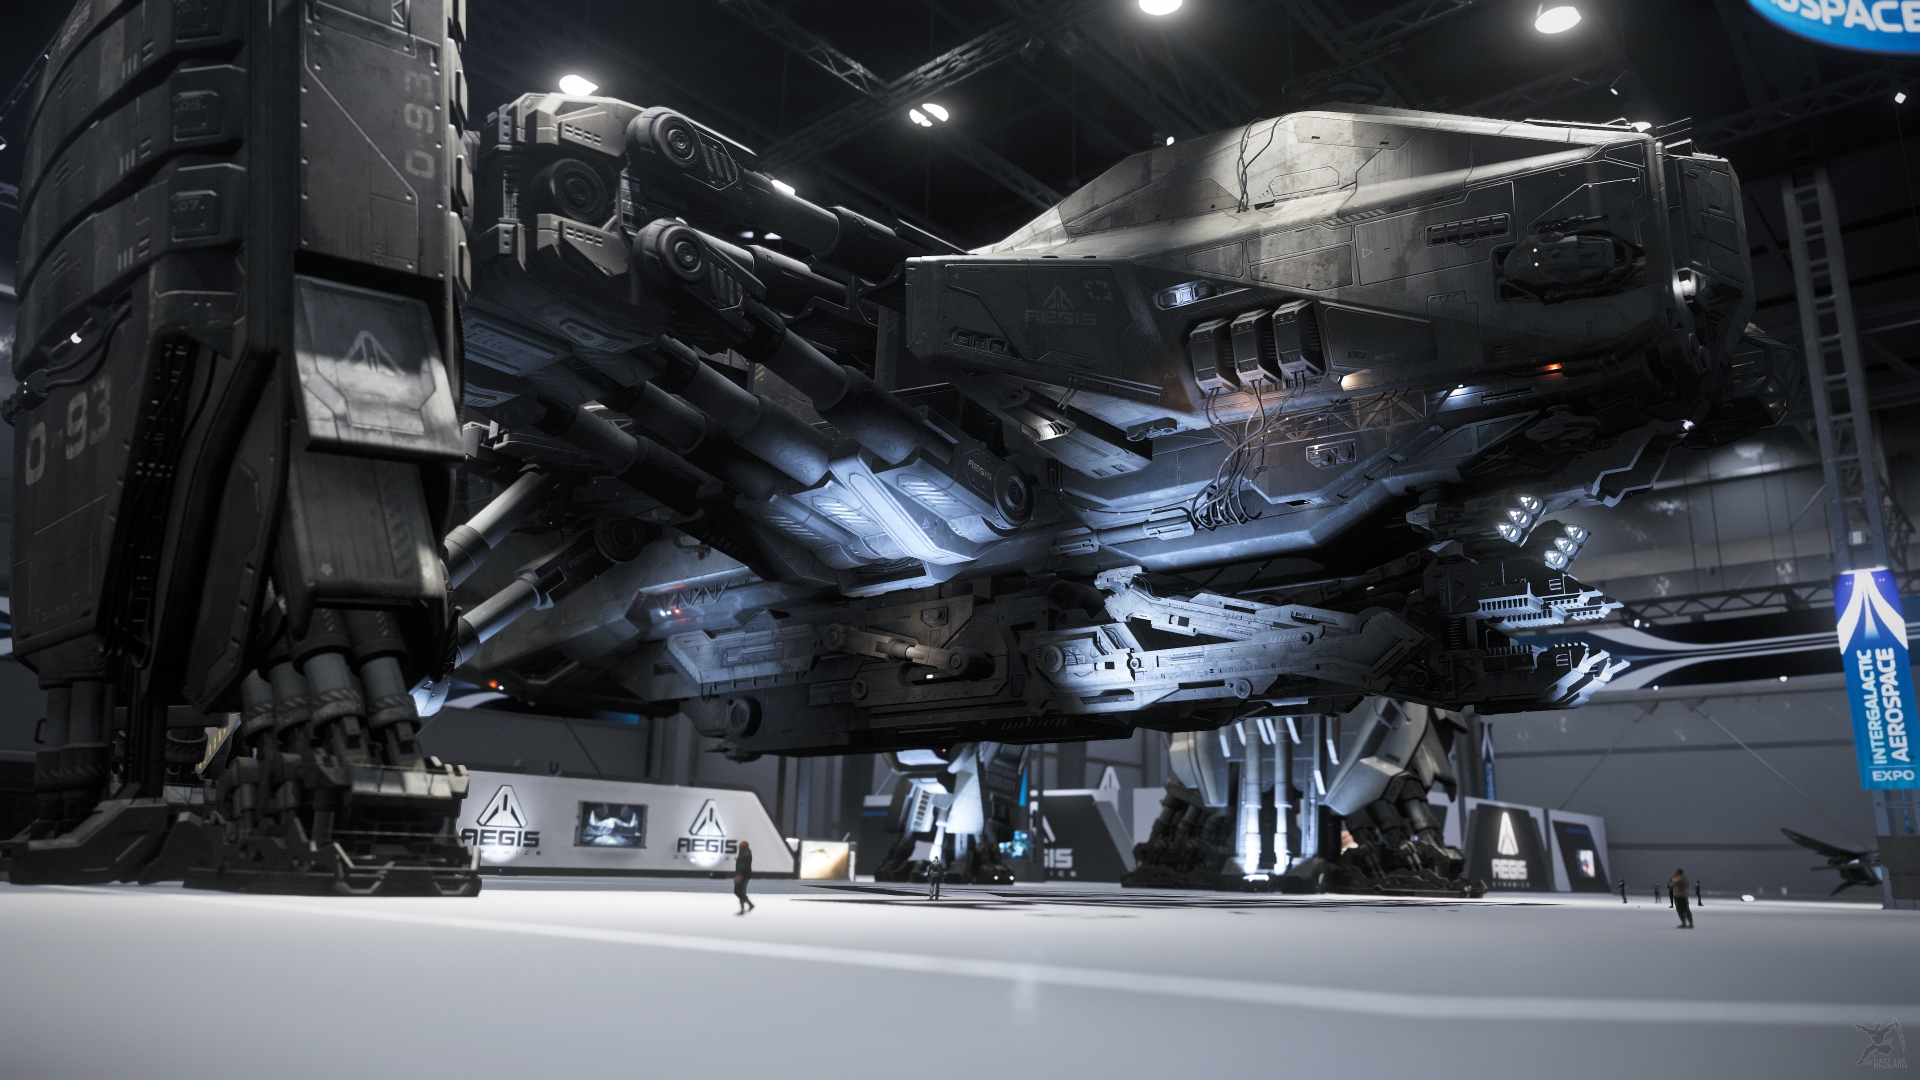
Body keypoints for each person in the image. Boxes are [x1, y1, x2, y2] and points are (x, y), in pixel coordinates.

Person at [733, 840, 755, 915]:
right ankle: (746, 907)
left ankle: (748, 906)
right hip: (742, 874)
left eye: (740, 845)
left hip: (743, 875)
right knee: (740, 892)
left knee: (738, 891)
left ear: (744, 846)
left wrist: (740, 875)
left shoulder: (745, 854)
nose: (739, 846)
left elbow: (743, 866)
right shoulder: (743, 852)